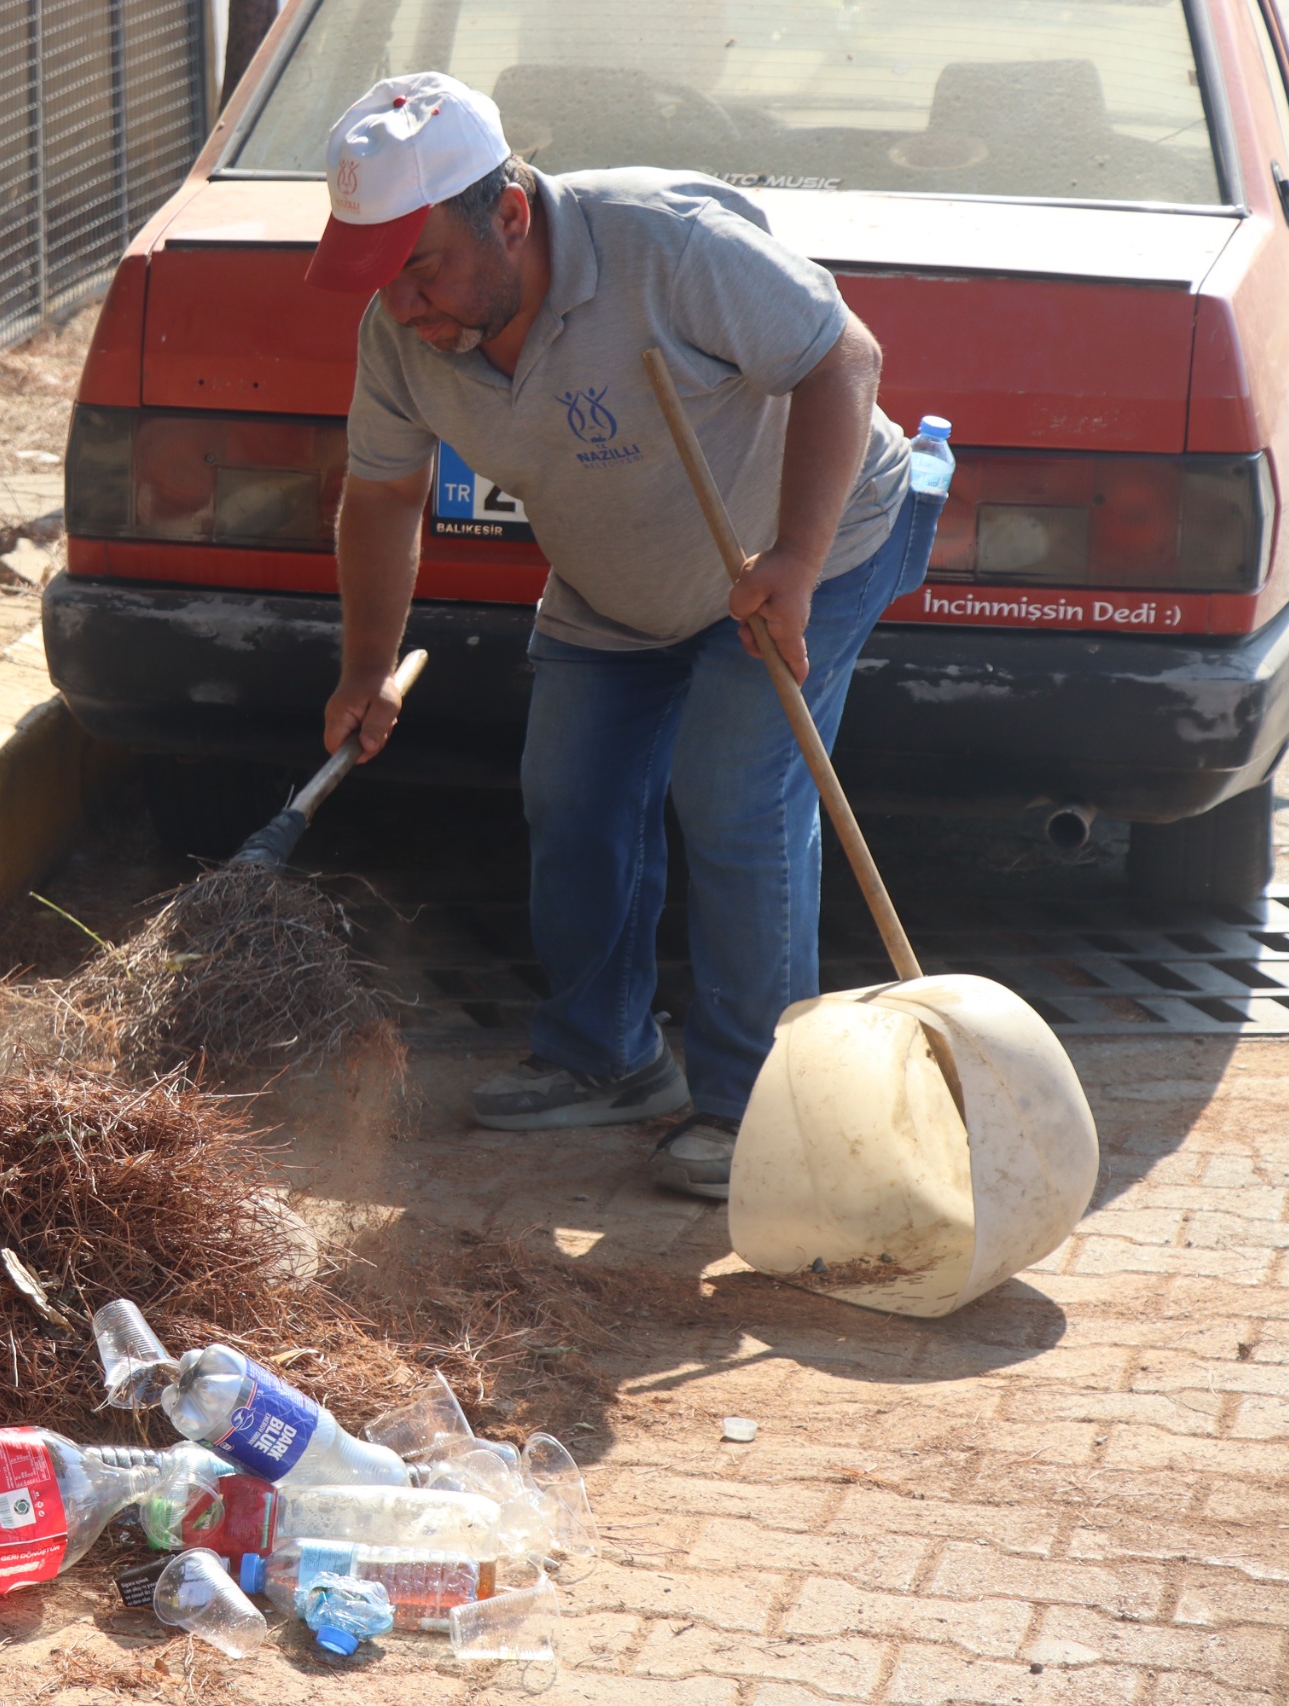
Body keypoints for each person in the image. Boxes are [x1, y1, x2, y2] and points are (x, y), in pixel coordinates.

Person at [307, 73, 942, 1199]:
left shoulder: (665, 247)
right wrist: (366, 665)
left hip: (804, 547)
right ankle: (605, 1055)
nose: (403, 305)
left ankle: (758, 1110)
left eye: (422, 267)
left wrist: (795, 561)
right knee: (572, 793)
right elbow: (386, 492)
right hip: (615, 582)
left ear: (509, 215)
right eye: (380, 277)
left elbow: (842, 358)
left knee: (735, 796)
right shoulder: (401, 336)